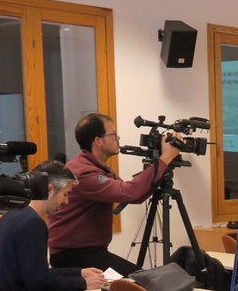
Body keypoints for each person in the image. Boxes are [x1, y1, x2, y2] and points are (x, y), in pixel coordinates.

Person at [49, 112, 184, 275]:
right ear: (98, 141)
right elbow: (130, 192)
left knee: (143, 279)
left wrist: (163, 165)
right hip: (74, 257)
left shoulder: (97, 167)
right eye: (113, 135)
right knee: (142, 282)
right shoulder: (83, 173)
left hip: (90, 253)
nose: (118, 138)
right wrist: (165, 158)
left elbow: (135, 196)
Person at [0, 161, 106, 291]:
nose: (67, 202)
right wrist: (84, 284)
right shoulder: (33, 223)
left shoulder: (9, 217)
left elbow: (35, 272)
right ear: (50, 189)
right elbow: (38, 282)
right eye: (66, 194)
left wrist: (78, 272)